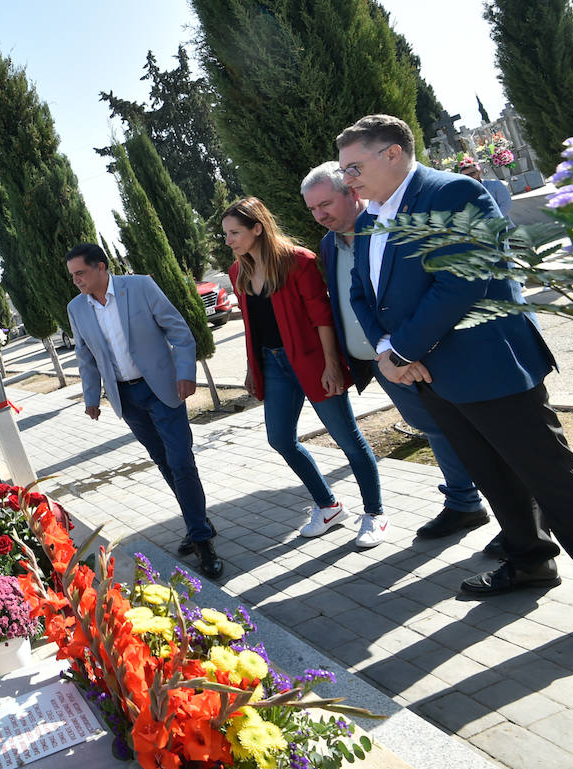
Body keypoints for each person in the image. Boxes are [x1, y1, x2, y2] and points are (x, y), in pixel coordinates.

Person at [337, 113, 573, 654]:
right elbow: (362, 295)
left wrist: (402, 350)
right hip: (432, 376)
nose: (348, 181)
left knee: (555, 482)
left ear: (393, 154)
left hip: (490, 367)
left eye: (354, 167)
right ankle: (530, 560)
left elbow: (462, 281)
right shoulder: (369, 220)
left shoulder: (453, 193)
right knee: (492, 475)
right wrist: (389, 352)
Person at [301, 162, 497, 542]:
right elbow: (351, 299)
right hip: (382, 362)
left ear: (352, 193)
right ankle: (464, 502)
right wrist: (378, 354)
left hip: (420, 355)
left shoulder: (387, 228)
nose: (319, 215)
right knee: (433, 429)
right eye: (312, 208)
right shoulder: (328, 245)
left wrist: (404, 350)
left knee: (472, 429)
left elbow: (426, 292)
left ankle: (511, 513)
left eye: (325, 204)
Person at [222, 197, 389, 549]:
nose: (228, 240)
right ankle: (329, 507)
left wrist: (332, 364)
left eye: (234, 232)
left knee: (348, 439)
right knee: (280, 439)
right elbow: (253, 326)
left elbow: (322, 318)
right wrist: (252, 368)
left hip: (313, 361)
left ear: (257, 228)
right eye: (226, 234)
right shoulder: (238, 272)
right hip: (273, 365)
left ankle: (375, 514)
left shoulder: (299, 261)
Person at [64, 242, 223, 578]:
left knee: (181, 461)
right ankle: (197, 520)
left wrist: (185, 373)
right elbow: (85, 356)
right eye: (73, 275)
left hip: (162, 388)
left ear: (101, 267)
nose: (76, 280)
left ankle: (201, 539)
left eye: (81, 273)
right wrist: (91, 398)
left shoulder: (140, 287)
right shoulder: (77, 308)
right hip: (127, 398)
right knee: (164, 461)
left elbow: (178, 331)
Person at [456, 154, 515, 226]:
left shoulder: (495, 185)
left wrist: (493, 221)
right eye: (466, 176)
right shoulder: (462, 194)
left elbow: (506, 205)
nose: (470, 177)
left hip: (503, 226)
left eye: (472, 173)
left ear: (479, 172)